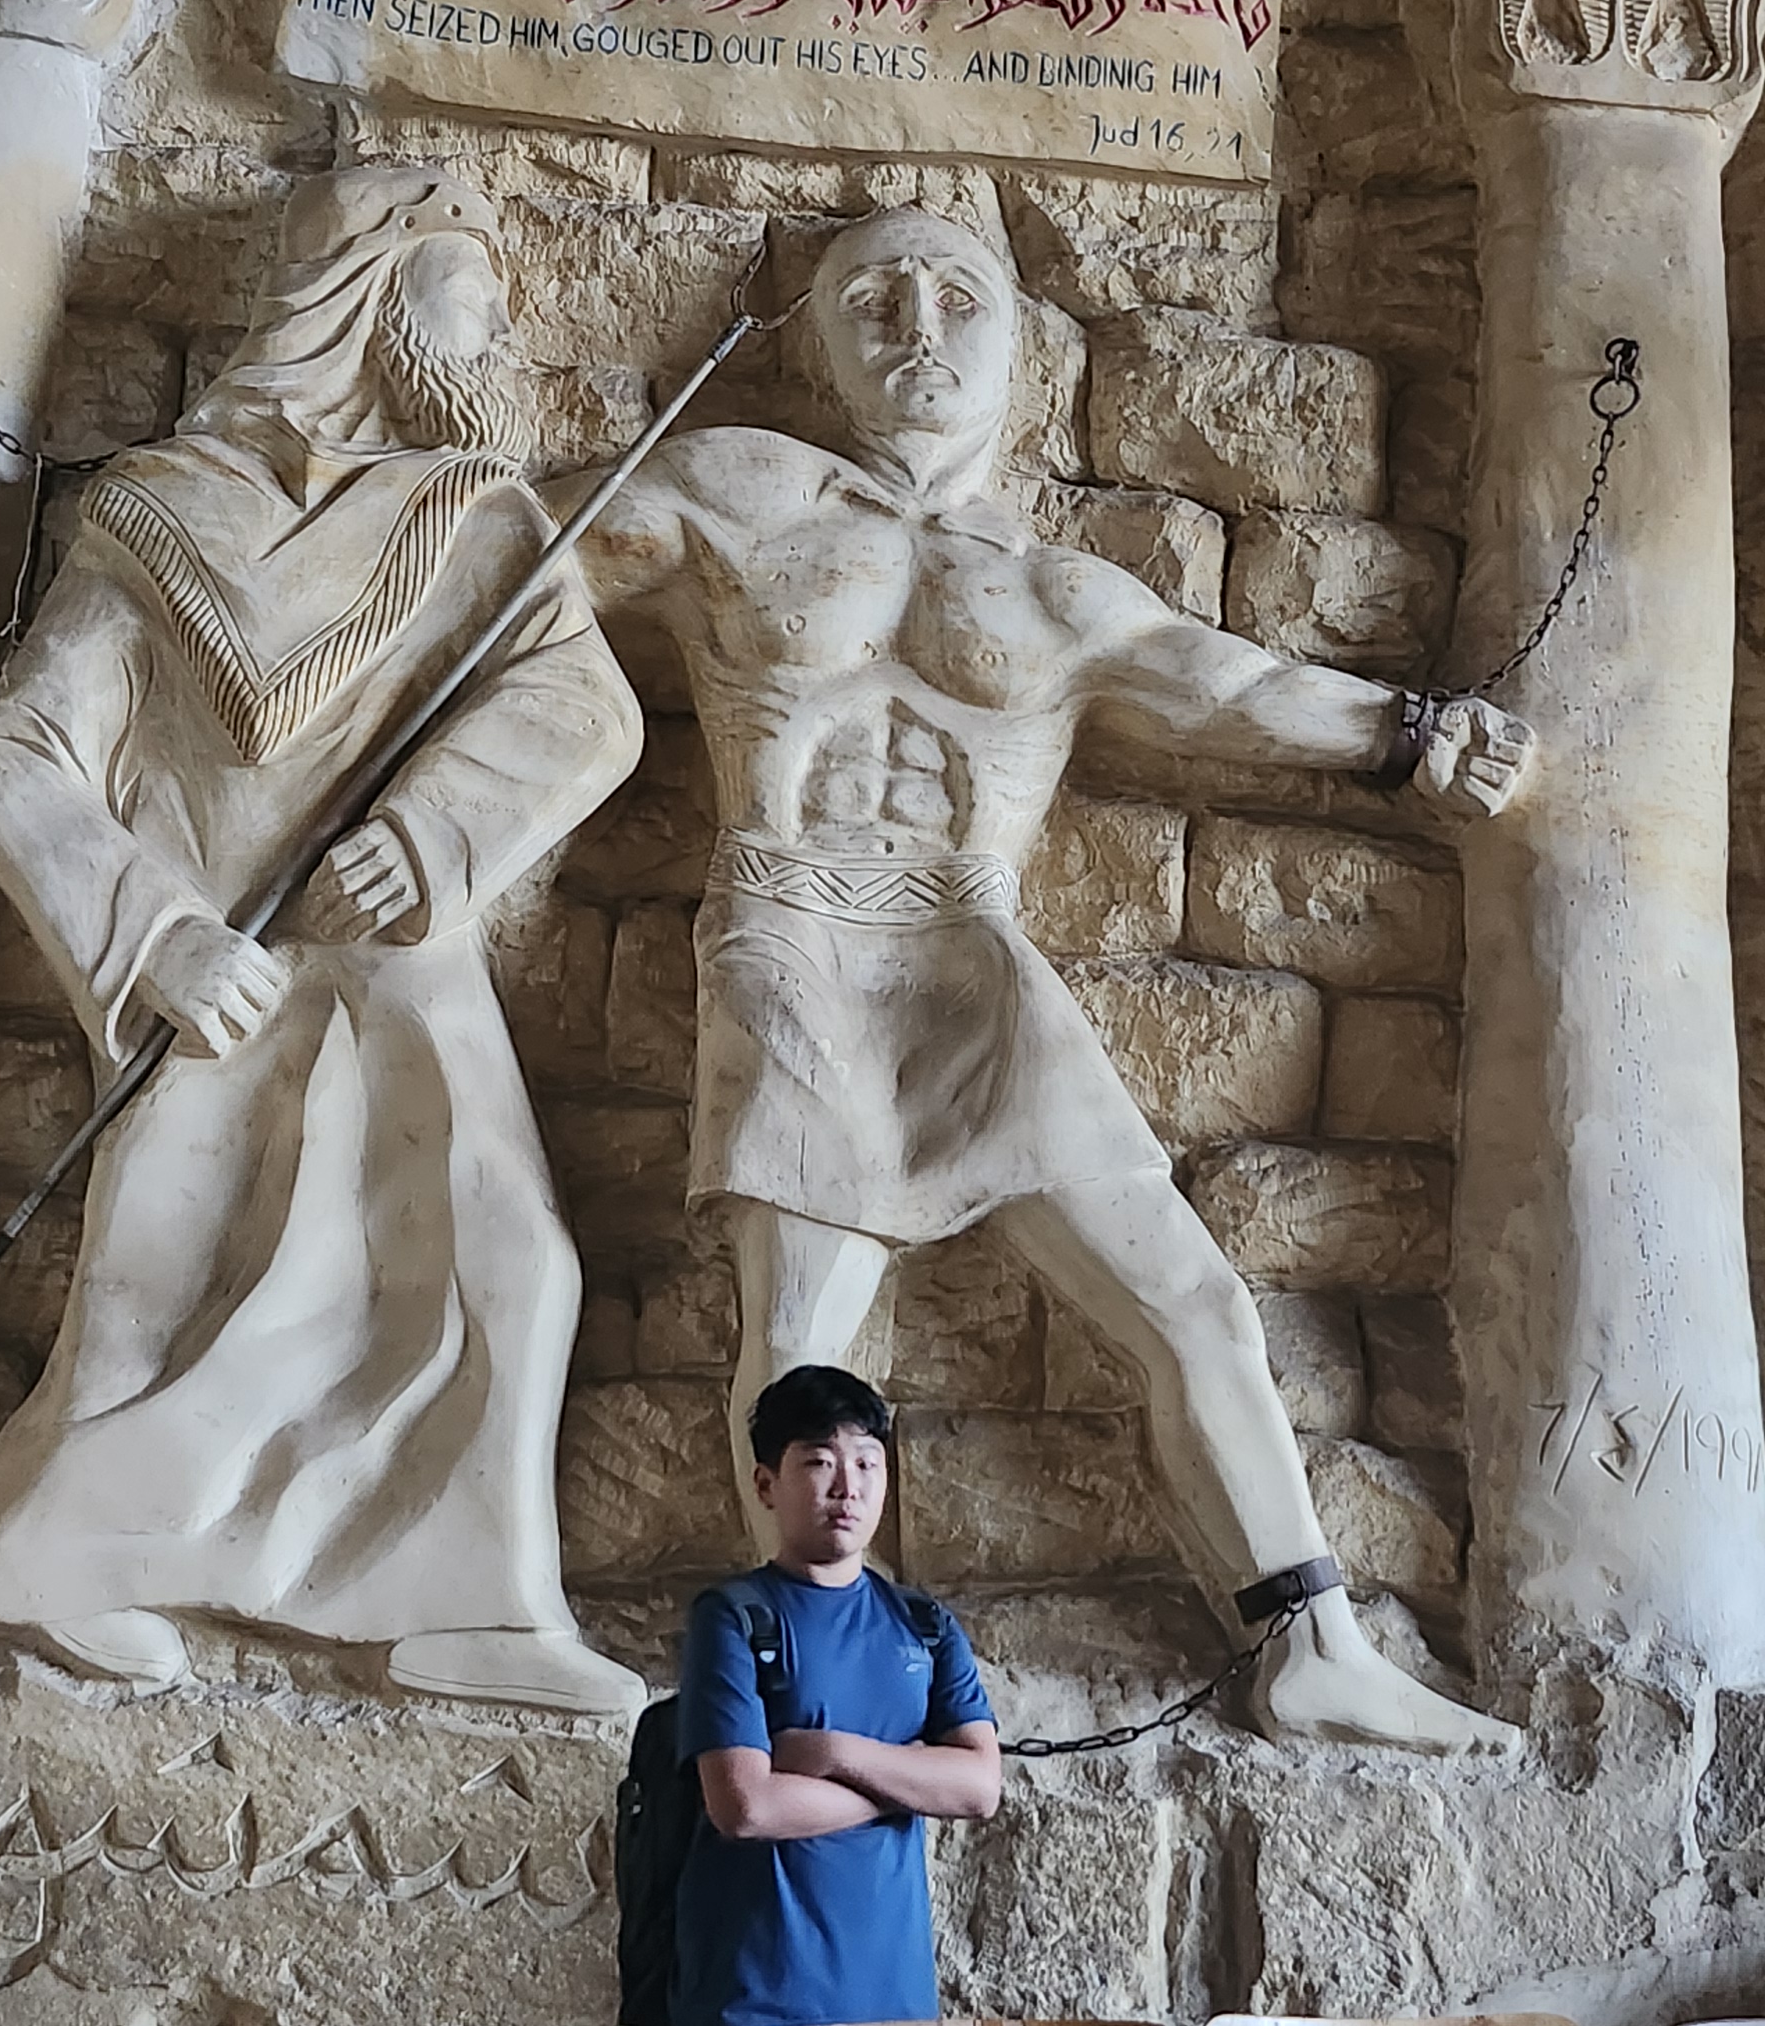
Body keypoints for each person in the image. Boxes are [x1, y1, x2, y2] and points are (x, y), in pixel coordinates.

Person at [575, 207, 1523, 1752]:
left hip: (971, 946)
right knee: (803, 1334)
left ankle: (1313, 1644)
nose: (916, 326)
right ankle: (817, 1673)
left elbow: (1233, 687)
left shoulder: (1057, 589)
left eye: (958, 297)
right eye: (872, 297)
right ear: (818, 342)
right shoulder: (733, 488)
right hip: (788, 927)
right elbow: (522, 580)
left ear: (1015, 345)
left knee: (1190, 1298)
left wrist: (1416, 734)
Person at [0, 165, 647, 1712]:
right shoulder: (160, 515)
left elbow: (582, 705)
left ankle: (472, 1604)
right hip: (226, 986)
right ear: (367, 297)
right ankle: (45, 1558)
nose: (496, 328)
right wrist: (151, 937)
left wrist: (434, 832)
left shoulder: (478, 519)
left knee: (508, 1264)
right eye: (470, 288)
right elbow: (13, 759)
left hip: (402, 977)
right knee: (181, 1292)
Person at [676, 1366, 1002, 2026]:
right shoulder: (735, 1617)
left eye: (866, 1463)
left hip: (895, 2000)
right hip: (757, 2001)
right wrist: (911, 1781)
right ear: (766, 1484)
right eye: (820, 1462)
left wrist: (831, 1753)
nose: (848, 1488)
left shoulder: (924, 1624)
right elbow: (746, 1806)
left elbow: (978, 1789)